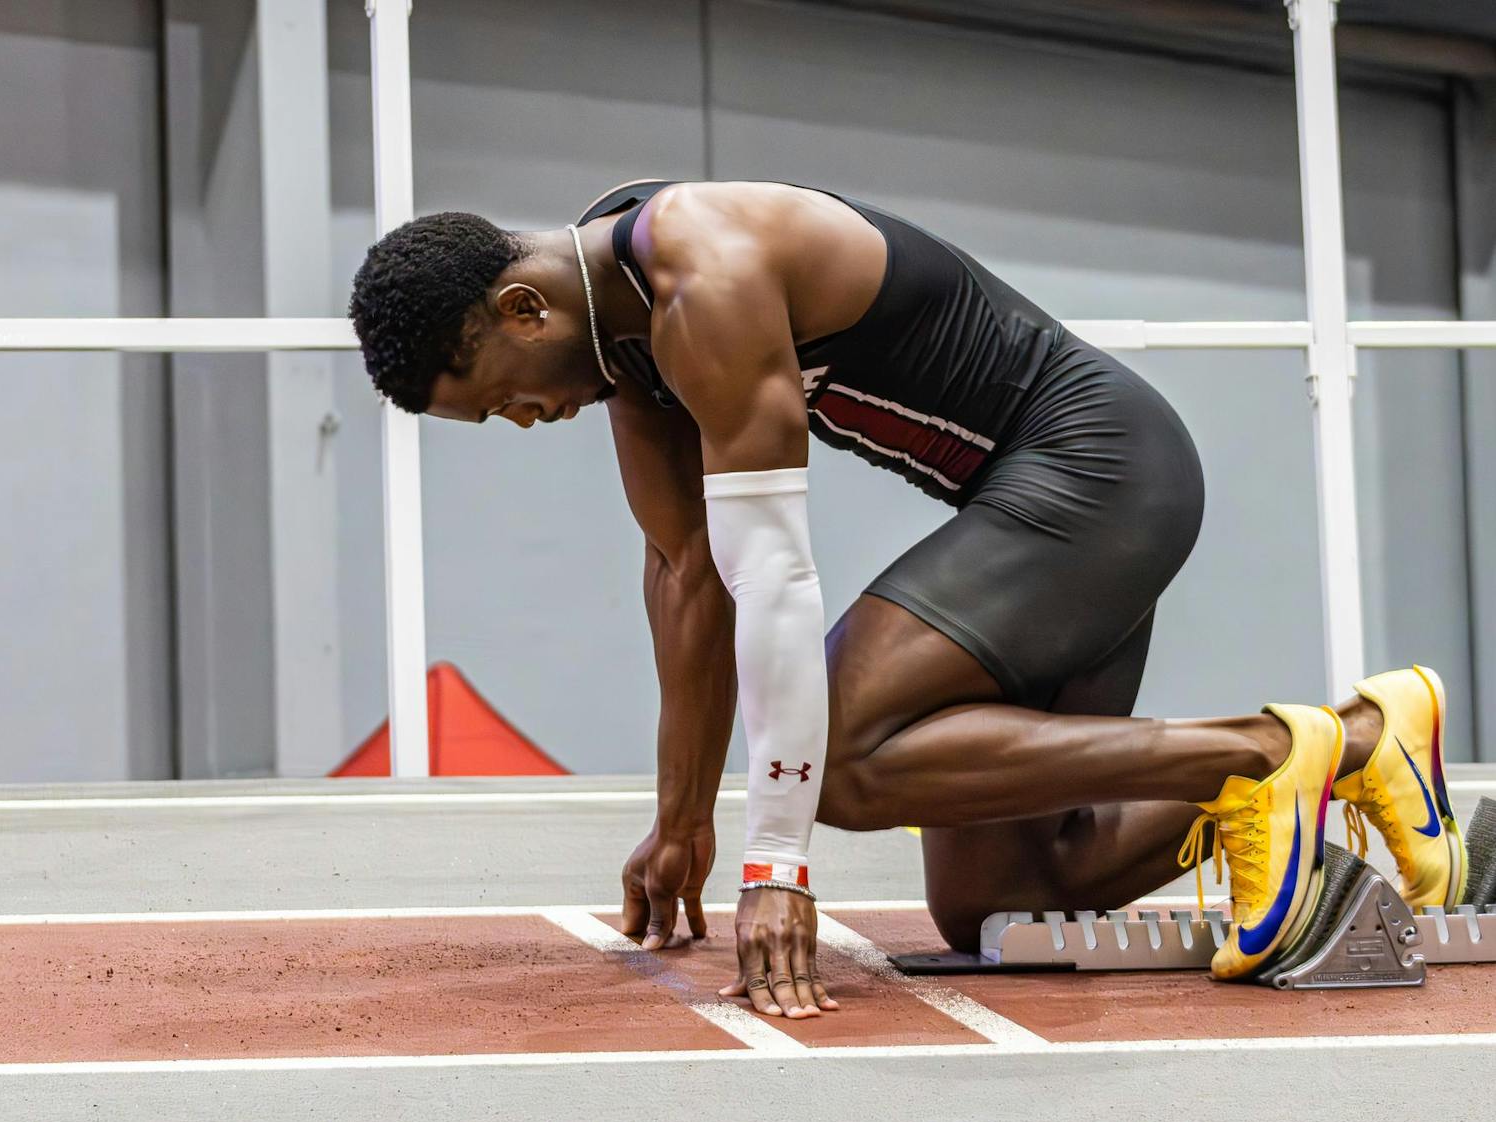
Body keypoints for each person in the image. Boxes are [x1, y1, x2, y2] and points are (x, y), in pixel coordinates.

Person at [349, 178, 1466, 1018]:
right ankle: (1368, 738)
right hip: (1035, 501)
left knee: (834, 759)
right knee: (1009, 904)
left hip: (1101, 471)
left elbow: (773, 579)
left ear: (522, 308)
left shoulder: (703, 272)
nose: (527, 423)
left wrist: (776, 862)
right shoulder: (621, 331)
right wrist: (682, 818)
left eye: (502, 403)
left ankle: (1268, 756)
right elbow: (687, 574)